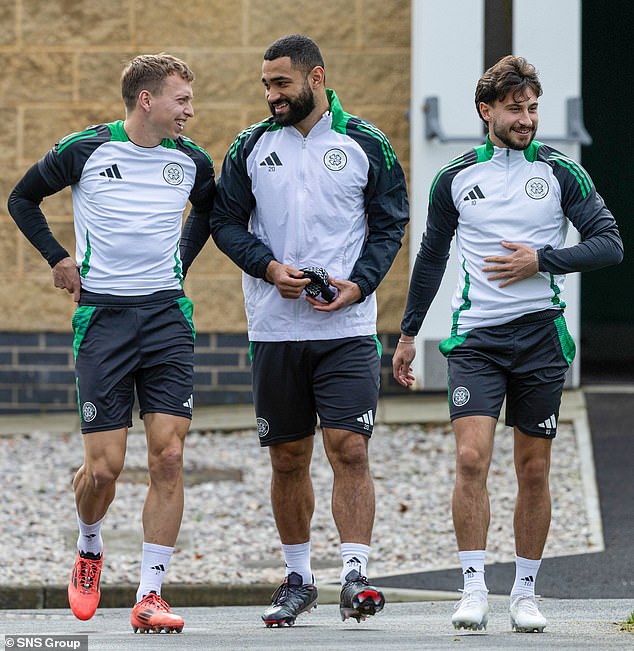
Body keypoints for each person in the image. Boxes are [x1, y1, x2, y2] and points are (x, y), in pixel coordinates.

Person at [393, 55, 623, 633]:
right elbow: (431, 257)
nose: (526, 118)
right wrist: (409, 331)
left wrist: (541, 259)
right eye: (515, 109)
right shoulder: (455, 178)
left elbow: (609, 244)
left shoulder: (562, 173)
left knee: (534, 470)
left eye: (533, 108)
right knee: (471, 458)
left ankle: (525, 590)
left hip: (541, 337)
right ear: (486, 111)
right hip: (477, 341)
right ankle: (472, 587)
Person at [8, 53, 215, 633]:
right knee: (105, 470)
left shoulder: (191, 160)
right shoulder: (85, 149)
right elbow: (22, 199)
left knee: (168, 455)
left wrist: (181, 263)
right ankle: (90, 546)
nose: (190, 111)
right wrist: (58, 258)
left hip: (167, 317)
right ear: (146, 100)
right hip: (103, 320)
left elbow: (209, 210)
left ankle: (150, 596)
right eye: (181, 100)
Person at [210, 34, 409, 626]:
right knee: (288, 458)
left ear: (315, 78)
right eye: (266, 85)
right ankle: (297, 578)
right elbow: (224, 222)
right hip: (273, 327)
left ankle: (354, 576)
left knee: (348, 447)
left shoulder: (365, 143)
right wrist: (270, 268)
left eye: (281, 84)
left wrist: (361, 283)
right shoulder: (250, 146)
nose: (271, 94)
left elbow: (389, 224)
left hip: (345, 325)